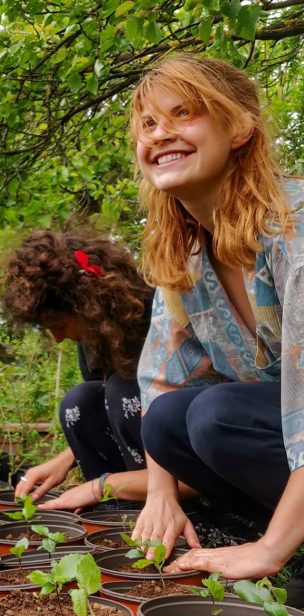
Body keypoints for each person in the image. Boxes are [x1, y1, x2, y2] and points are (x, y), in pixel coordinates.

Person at [128, 54, 304, 582]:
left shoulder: (293, 233)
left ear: (240, 128)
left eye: (183, 114)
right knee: (170, 420)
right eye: (148, 125)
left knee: (217, 414)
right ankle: (255, 528)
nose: (160, 135)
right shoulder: (187, 255)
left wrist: (269, 551)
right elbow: (161, 381)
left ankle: (280, 543)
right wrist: (161, 495)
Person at [0, 229, 155, 510]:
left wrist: (98, 487)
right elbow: (108, 418)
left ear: (88, 306)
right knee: (79, 402)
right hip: (139, 470)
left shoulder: (156, 316)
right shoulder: (93, 338)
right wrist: (63, 461)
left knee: (123, 389)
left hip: (183, 467)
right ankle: (117, 514)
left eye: (59, 325)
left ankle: (172, 510)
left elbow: (164, 418)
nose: (57, 339)